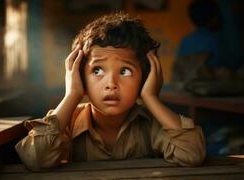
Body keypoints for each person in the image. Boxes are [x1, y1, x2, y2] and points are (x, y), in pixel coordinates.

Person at [15, 12, 206, 171]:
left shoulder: (152, 123)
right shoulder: (68, 121)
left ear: (145, 78)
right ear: (80, 77)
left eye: (125, 71)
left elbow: (192, 154)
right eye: (97, 70)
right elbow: (36, 159)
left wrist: (151, 98)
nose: (111, 84)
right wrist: (71, 95)